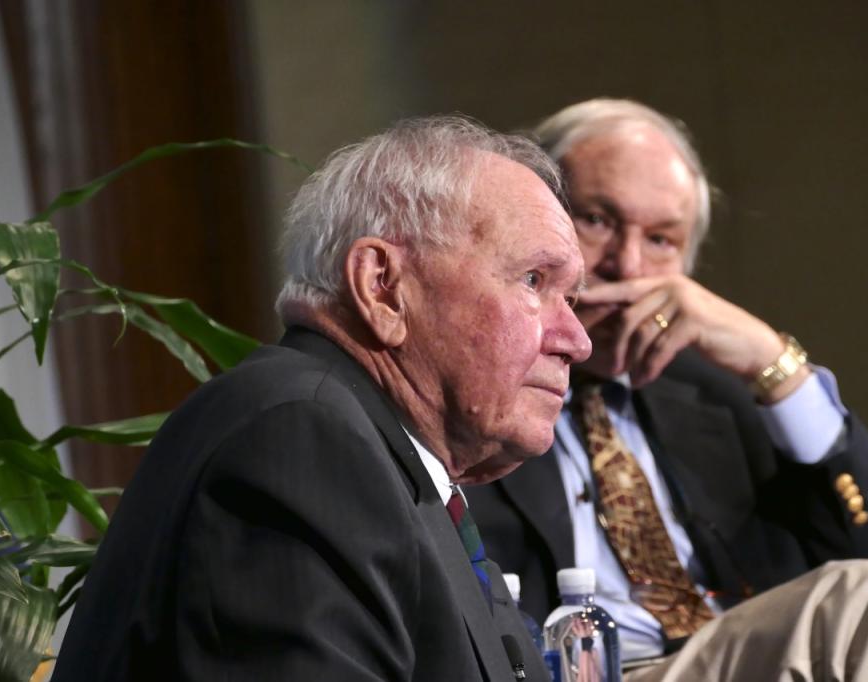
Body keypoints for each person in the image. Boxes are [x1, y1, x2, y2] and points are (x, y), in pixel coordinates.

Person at [52, 116, 591, 681]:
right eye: (533, 280)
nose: (576, 342)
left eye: (572, 299)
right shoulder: (300, 441)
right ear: (382, 286)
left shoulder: (390, 456)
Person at [465, 99, 868, 676]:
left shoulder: (720, 395)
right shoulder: (482, 384)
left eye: (661, 240)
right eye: (597, 220)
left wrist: (776, 365)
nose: (628, 265)